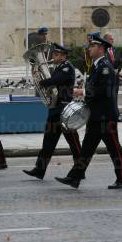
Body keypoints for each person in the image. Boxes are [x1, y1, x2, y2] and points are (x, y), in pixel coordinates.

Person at [55, 36, 122, 189]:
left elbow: (103, 91)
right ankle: (74, 178)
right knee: (86, 150)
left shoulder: (105, 67)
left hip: (105, 117)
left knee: (114, 149)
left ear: (101, 48)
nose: (89, 48)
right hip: (95, 116)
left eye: (92, 45)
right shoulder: (96, 66)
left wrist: (81, 91)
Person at [23, 43, 81, 180]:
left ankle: (80, 170)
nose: (52, 57)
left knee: (74, 142)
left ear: (63, 56)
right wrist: (37, 74)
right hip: (55, 110)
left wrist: (41, 82)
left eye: (55, 55)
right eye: (53, 54)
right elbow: (52, 85)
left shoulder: (67, 67)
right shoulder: (58, 67)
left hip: (64, 110)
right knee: (48, 143)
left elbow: (55, 81)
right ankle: (39, 169)